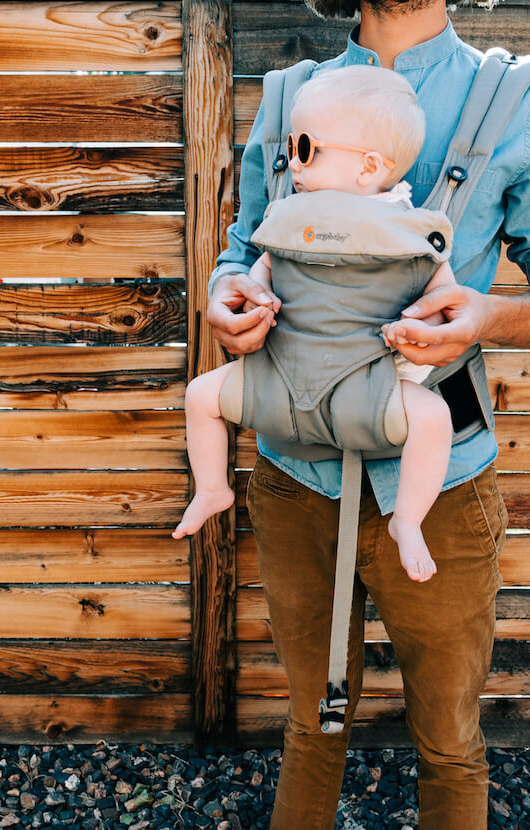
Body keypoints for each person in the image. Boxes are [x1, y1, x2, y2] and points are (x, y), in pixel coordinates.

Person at [206, 0, 530, 830]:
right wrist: (224, 297)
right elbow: (242, 249)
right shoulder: (287, 96)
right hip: (294, 475)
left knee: (451, 743)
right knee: (312, 725)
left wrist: (485, 314)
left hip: (444, 484)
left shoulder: (516, 98)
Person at [172, 64, 457, 583]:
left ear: (369, 167)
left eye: (306, 147)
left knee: (434, 419)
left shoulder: (413, 232)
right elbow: (260, 270)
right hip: (278, 376)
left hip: (370, 387)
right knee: (200, 395)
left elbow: (444, 298)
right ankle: (213, 487)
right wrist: (249, 296)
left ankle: (408, 519)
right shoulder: (287, 216)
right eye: (290, 146)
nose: (292, 162)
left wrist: (427, 323)